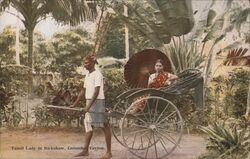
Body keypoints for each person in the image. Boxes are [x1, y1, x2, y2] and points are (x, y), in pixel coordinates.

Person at [71, 54, 112, 159]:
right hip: (89, 101)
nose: (85, 65)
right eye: (84, 63)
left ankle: (109, 152)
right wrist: (75, 103)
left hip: (97, 102)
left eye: (87, 63)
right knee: (88, 125)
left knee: (104, 125)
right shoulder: (88, 75)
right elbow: (83, 90)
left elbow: (96, 92)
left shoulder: (97, 74)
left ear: (93, 63)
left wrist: (88, 107)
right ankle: (85, 150)